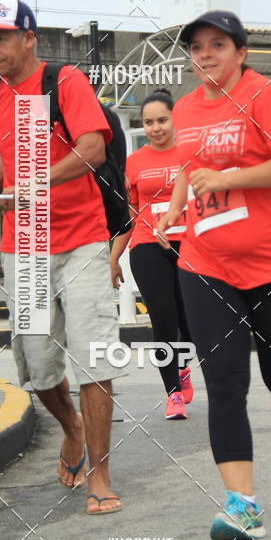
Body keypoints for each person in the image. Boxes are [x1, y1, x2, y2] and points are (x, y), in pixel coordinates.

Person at [156, 10, 271, 540]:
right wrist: (173, 208)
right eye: (197, 47)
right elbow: (188, 167)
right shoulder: (184, 108)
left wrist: (230, 176)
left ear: (240, 52)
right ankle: (243, 504)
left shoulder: (264, 97)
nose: (205, 54)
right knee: (224, 381)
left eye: (217, 45)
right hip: (206, 264)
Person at [0, 0, 126, 515]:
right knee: (37, 361)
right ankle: (71, 427)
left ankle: (100, 473)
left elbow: (93, 147)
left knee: (95, 356)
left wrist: (38, 181)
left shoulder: (64, 82)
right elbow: (8, 164)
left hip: (81, 239)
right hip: (24, 246)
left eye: (1, 39)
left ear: (29, 38)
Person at [110, 89, 194, 420]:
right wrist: (113, 257)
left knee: (189, 321)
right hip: (147, 244)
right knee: (162, 317)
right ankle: (172, 393)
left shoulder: (191, 153)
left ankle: (183, 368)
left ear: (175, 119)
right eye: (149, 122)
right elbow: (128, 216)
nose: (156, 127)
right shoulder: (134, 163)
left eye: (162, 120)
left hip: (190, 245)